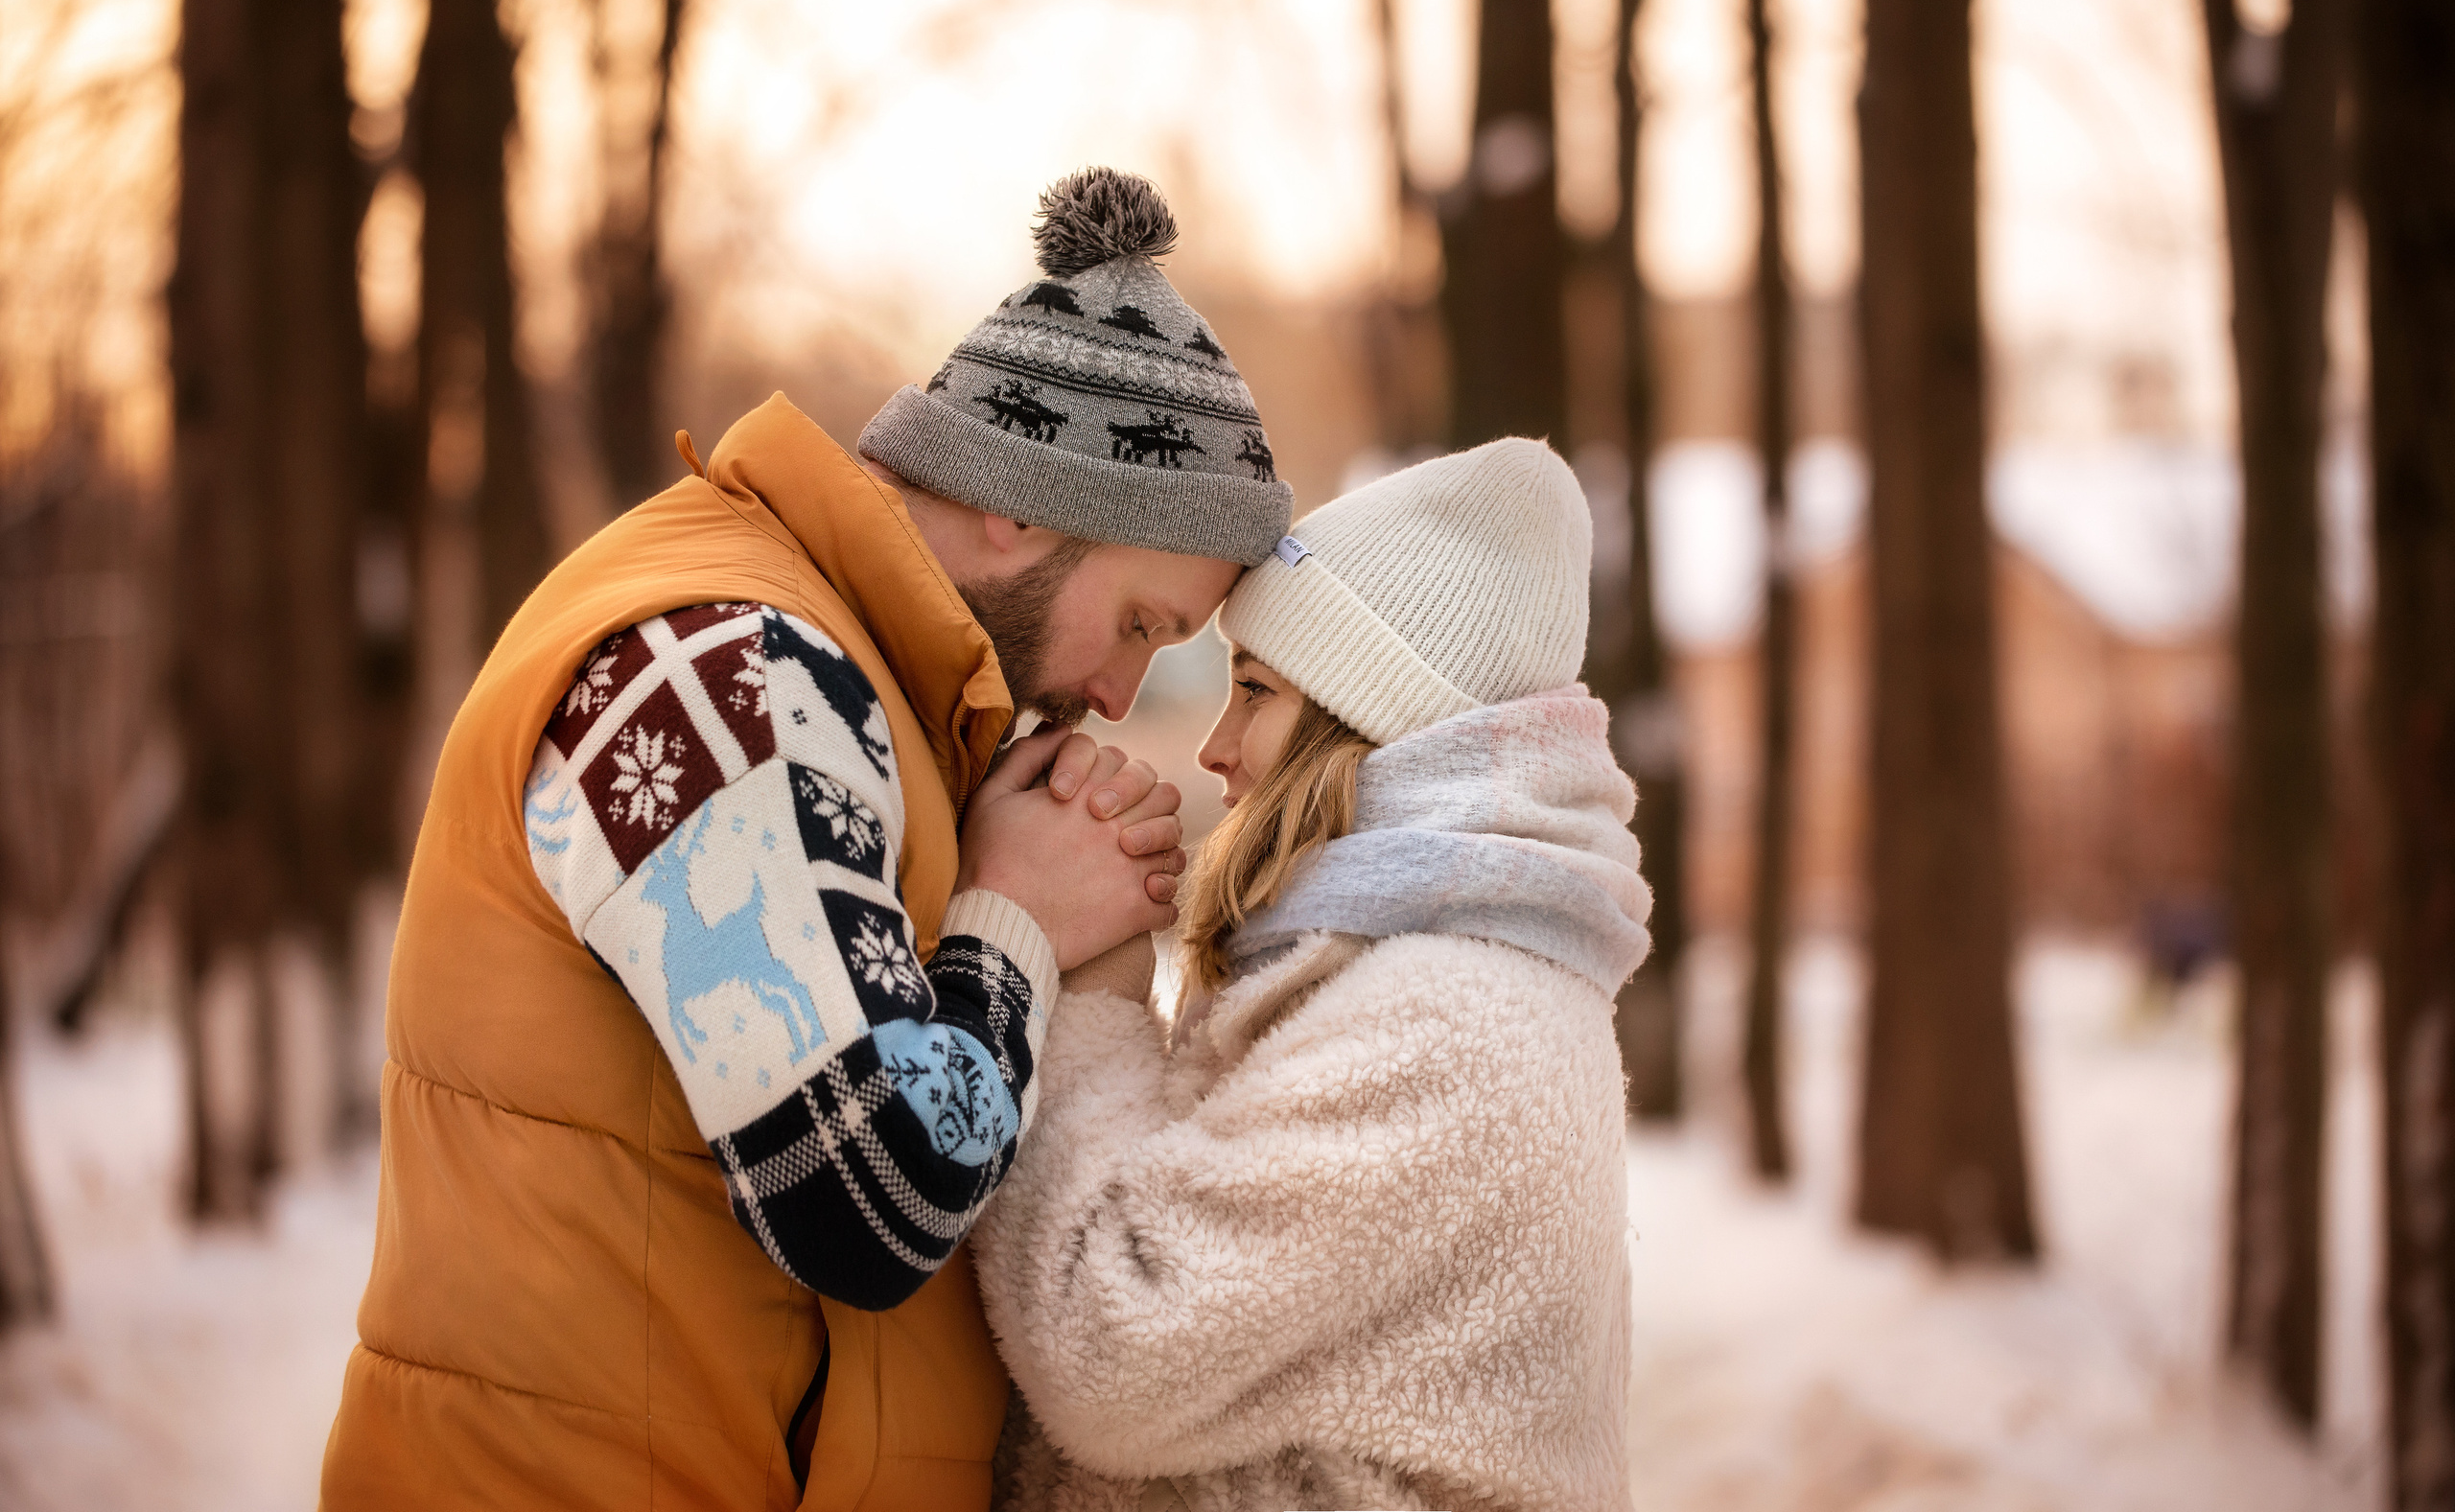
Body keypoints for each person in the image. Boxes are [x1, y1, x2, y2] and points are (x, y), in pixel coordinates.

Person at [319, 170, 1292, 1510]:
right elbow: (867, 1191)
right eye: (1138, 625)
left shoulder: (864, 695)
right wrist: (1013, 921)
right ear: (1017, 505)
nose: (1124, 699)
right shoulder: (724, 674)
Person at [976, 438, 1652, 1512]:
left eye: (1254, 690)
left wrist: (1087, 990)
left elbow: (1119, 1346)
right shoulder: (1402, 971)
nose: (1214, 745)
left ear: (1364, 724)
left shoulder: (1445, 1017)